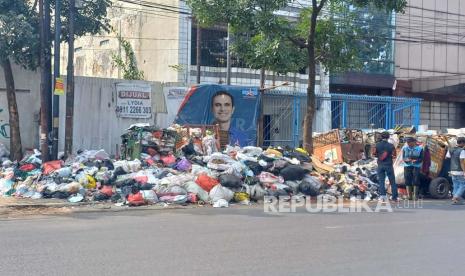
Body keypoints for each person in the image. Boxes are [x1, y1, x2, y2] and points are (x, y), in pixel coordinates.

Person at [374, 131, 398, 202]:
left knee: (381, 181)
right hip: (389, 165)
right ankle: (394, 198)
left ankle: (382, 197)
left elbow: (374, 154)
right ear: (388, 137)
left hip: (380, 165)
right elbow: (394, 156)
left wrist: (379, 156)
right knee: (392, 181)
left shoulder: (377, 145)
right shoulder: (391, 146)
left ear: (381, 137)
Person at [446, 137, 465, 205]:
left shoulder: (451, 149)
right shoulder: (462, 151)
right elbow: (462, 162)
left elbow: (447, 157)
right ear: (462, 143)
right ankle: (456, 197)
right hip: (459, 171)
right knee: (463, 185)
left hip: (452, 170)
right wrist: (464, 171)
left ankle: (455, 200)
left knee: (456, 185)